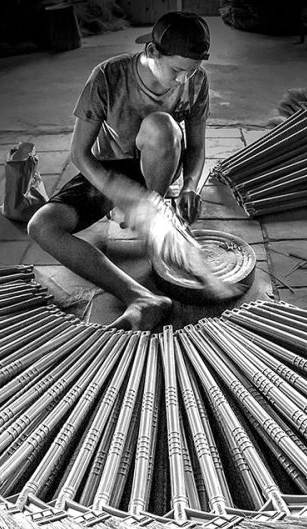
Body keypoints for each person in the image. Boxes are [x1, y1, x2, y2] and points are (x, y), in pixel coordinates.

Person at [27, 11, 211, 331]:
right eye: (178, 70)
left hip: (158, 164)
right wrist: (115, 190)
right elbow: (79, 153)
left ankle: (155, 211)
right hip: (109, 168)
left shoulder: (196, 81)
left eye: (192, 71)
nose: (184, 79)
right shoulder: (108, 76)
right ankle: (140, 297)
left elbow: (195, 146)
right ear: (152, 53)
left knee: (162, 127)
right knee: (42, 226)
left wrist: (191, 186)